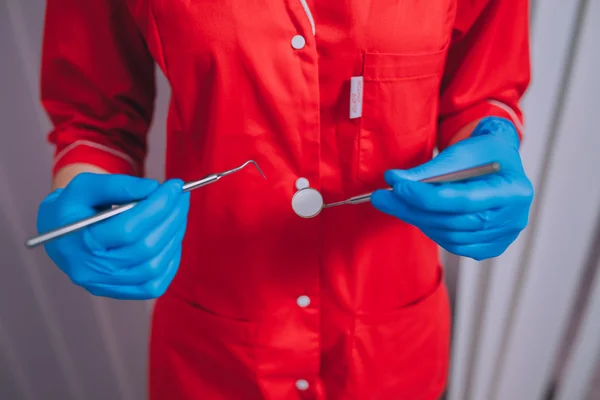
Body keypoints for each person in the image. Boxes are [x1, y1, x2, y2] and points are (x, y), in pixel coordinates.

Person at [36, 0, 533, 398]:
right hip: (216, 352)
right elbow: (93, 117)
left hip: (389, 348)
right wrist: (86, 205)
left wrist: (490, 145)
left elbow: (481, 90)